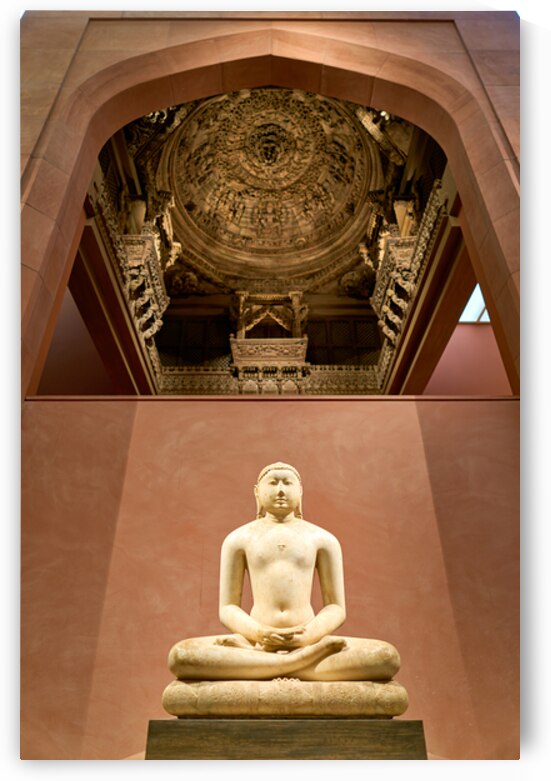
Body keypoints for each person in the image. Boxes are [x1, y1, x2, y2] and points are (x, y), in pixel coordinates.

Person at [168, 462, 400, 681]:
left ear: (300, 492)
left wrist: (308, 636)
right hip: (257, 645)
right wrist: (260, 633)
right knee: (181, 656)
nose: (280, 490)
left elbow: (336, 607)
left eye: (287, 483)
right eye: (273, 483)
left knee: (386, 657)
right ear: (257, 493)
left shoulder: (322, 539)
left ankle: (271, 666)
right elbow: (228, 608)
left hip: (309, 642)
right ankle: (301, 665)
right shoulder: (238, 539)